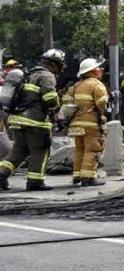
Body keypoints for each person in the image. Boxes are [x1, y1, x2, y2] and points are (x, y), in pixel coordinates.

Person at [0, 48, 64, 191]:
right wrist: (58, 104)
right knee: (39, 150)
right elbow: (50, 100)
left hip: (17, 120)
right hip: (36, 122)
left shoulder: (29, 74)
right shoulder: (47, 76)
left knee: (19, 151)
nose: (60, 68)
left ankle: (1, 174)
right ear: (54, 63)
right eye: (60, 64)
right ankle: (35, 182)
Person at [68, 58, 108, 186]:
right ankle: (88, 177)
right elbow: (102, 103)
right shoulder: (96, 84)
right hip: (91, 124)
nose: (101, 70)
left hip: (76, 124)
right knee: (93, 149)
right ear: (93, 71)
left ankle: (77, 175)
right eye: (98, 68)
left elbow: (67, 103)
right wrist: (103, 114)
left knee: (80, 149)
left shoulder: (75, 86)